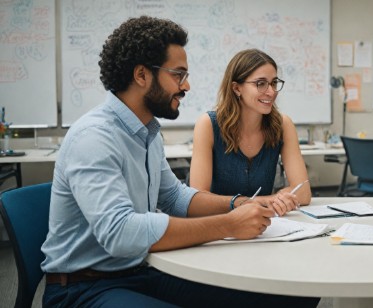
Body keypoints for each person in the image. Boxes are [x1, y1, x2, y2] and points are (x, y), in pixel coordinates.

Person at [40, 16, 319, 308]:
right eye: (178, 74)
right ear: (141, 75)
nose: (186, 86)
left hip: (139, 271)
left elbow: (174, 196)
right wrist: (228, 225)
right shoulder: (94, 137)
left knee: (291, 296)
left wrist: (239, 204)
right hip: (84, 287)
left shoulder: (147, 133)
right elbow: (120, 233)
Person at [190, 48, 311, 216]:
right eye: (260, 84)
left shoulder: (283, 125)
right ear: (237, 88)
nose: (271, 92)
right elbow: (197, 200)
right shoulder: (208, 125)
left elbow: (303, 193)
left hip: (265, 226)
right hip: (218, 226)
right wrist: (265, 200)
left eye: (274, 83)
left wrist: (275, 200)